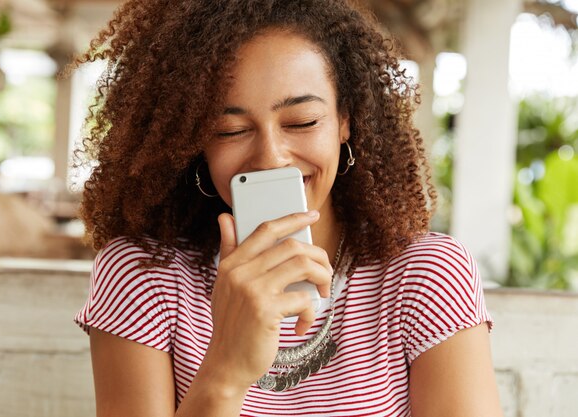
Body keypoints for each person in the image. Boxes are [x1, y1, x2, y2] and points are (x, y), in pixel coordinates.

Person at [70, 0, 503, 416]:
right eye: (230, 129)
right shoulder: (140, 274)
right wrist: (226, 369)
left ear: (344, 120)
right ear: (192, 141)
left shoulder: (427, 275)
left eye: (302, 122)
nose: (271, 157)